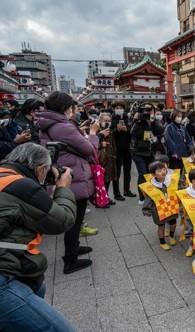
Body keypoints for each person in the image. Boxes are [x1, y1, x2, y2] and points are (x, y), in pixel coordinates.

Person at [0, 143, 76, 332]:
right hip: (3, 276)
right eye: (46, 171)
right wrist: (63, 188)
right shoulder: (21, 186)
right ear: (41, 168)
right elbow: (62, 220)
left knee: (38, 287)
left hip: (16, 266)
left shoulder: (4, 175)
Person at [36, 91, 99, 274]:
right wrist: (93, 134)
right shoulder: (63, 127)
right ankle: (70, 260)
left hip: (64, 172)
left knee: (74, 219)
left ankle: (74, 248)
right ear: (65, 108)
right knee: (74, 219)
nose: (74, 110)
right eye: (73, 107)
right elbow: (88, 148)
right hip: (73, 176)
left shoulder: (49, 124)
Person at [141, 160, 181, 251]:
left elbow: (178, 190)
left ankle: (171, 236)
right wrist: (147, 210)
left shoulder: (172, 180)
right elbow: (148, 199)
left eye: (163, 169)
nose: (162, 172)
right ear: (154, 175)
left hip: (172, 207)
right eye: (159, 171)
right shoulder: (150, 186)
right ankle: (162, 242)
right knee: (161, 226)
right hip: (158, 210)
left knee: (173, 223)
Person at [130, 106, 161, 204]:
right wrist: (138, 121)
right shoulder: (138, 122)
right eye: (146, 111)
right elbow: (133, 133)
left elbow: (160, 130)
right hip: (138, 152)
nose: (147, 113)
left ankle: (150, 194)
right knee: (143, 174)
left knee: (151, 173)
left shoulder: (154, 121)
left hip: (150, 152)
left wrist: (153, 122)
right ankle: (142, 197)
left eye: (150, 111)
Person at [177, 168, 195, 257]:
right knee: (192, 233)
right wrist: (183, 216)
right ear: (193, 181)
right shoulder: (185, 193)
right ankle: (191, 246)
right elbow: (181, 206)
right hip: (190, 218)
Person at [111, 102, 136, 201]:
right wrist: (116, 130)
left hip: (127, 149)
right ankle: (116, 193)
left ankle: (127, 190)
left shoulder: (128, 118)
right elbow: (108, 133)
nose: (119, 109)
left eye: (121, 107)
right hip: (116, 150)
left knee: (127, 171)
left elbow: (133, 133)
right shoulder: (111, 119)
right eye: (117, 107)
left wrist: (127, 130)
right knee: (117, 172)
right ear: (114, 109)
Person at [97, 112, 117, 206]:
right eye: (105, 121)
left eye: (109, 121)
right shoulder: (96, 131)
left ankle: (106, 197)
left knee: (108, 179)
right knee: (100, 181)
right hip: (100, 160)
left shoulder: (110, 131)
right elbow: (90, 144)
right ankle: (99, 200)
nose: (107, 123)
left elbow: (113, 145)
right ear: (100, 121)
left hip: (110, 159)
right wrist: (101, 144)